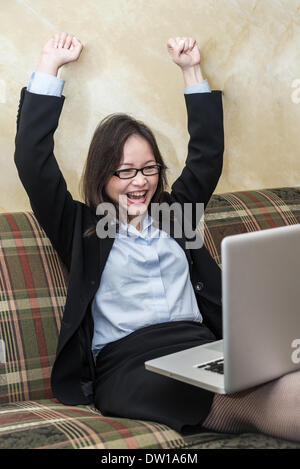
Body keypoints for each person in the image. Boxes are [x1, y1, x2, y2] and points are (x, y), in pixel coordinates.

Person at [14, 32, 300, 442]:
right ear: (102, 175)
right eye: (125, 171)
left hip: (203, 348)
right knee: (252, 399)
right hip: (131, 365)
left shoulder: (175, 213)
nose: (140, 182)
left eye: (149, 169)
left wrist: (191, 70)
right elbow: (31, 158)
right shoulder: (81, 226)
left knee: (282, 373)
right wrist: (49, 67)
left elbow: (206, 154)